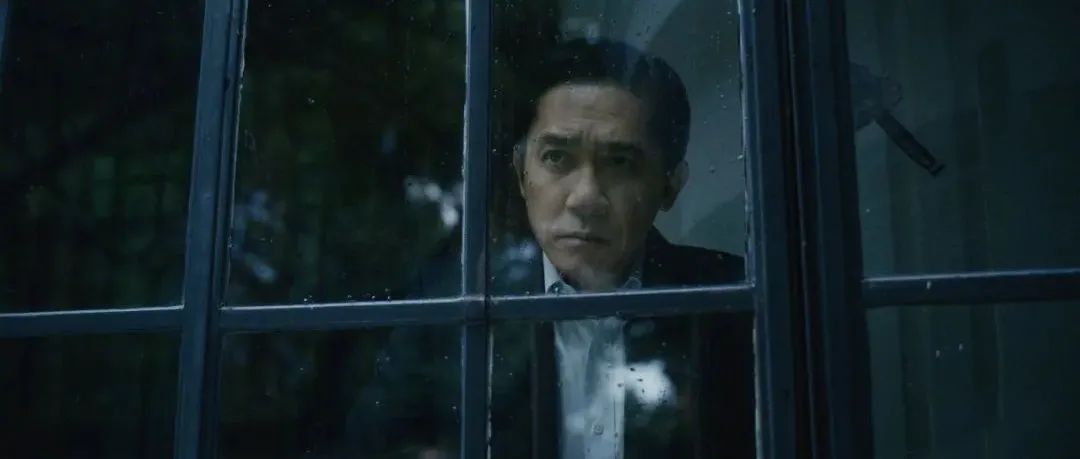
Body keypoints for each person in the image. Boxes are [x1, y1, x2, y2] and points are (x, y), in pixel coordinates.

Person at [483, 39, 756, 459]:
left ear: (670, 185)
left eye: (620, 162)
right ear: (521, 173)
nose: (585, 198)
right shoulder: (456, 314)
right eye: (556, 157)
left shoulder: (740, 304)